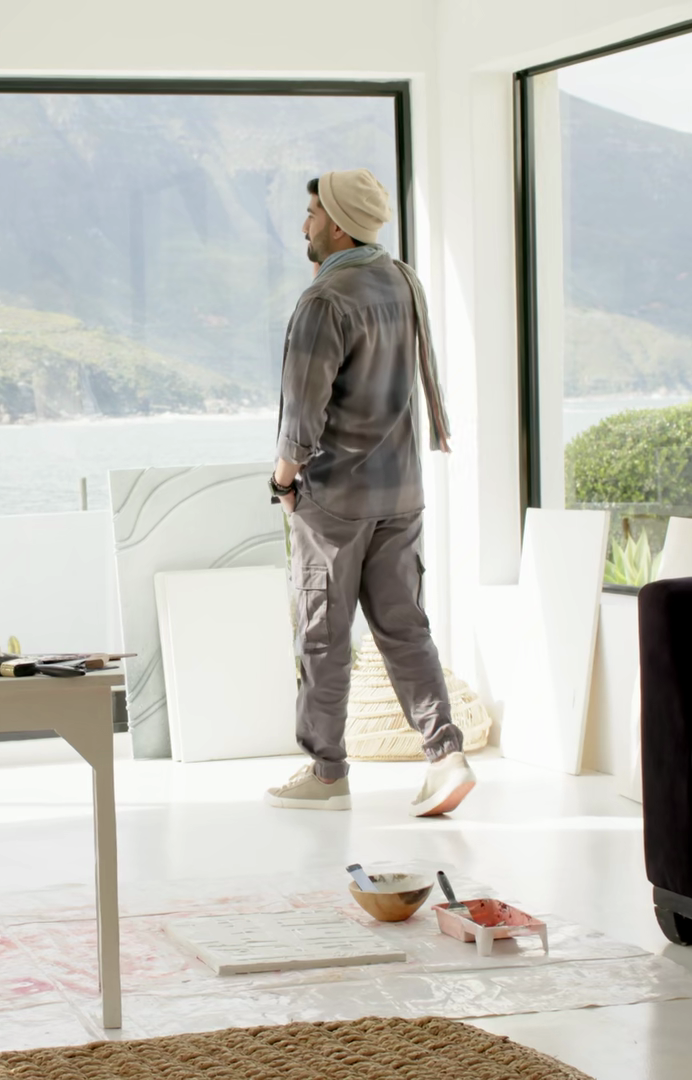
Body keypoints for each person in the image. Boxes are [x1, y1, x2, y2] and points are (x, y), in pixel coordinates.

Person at [263, 169, 474, 818]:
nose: (304, 224)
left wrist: (282, 480)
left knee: (323, 637)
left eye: (311, 213)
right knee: (406, 630)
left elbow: (302, 415)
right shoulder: (403, 280)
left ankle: (327, 773)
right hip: (402, 491)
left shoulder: (325, 300)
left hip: (335, 500)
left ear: (336, 223)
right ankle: (446, 756)